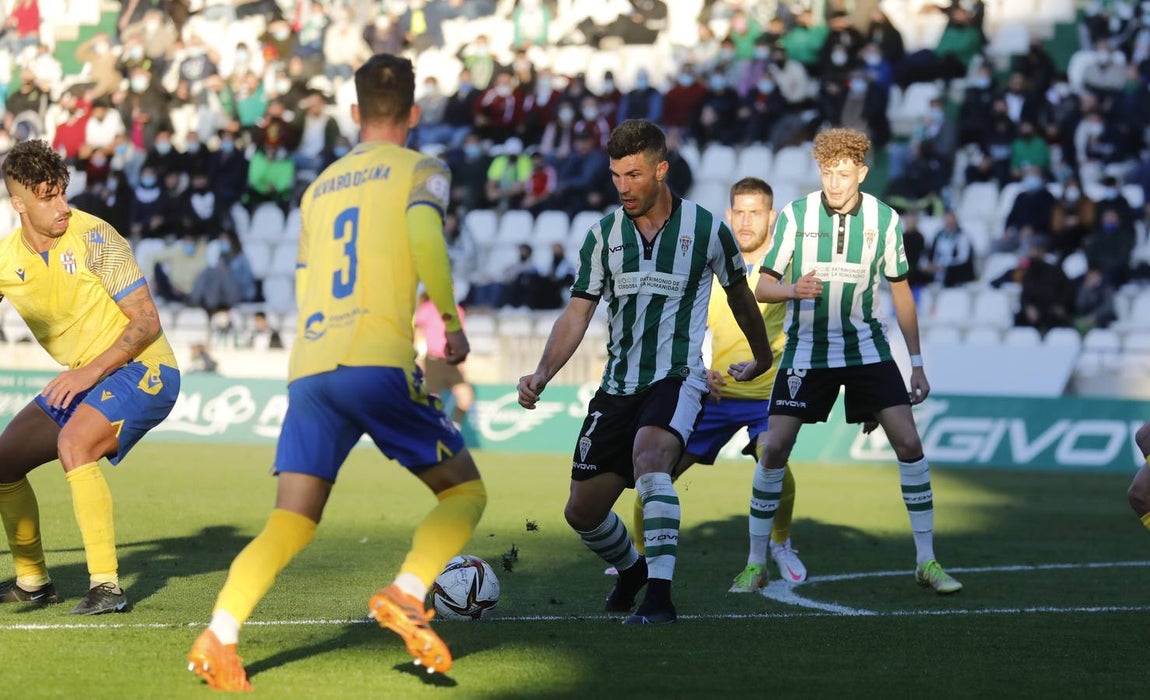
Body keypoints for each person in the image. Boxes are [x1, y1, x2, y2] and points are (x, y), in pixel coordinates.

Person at [188, 54, 487, 690]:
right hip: (376, 359)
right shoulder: (422, 169)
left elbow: (302, 282)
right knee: (464, 493)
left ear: (354, 112)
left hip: (311, 366)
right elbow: (426, 240)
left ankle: (221, 634)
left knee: (291, 520)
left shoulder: (318, 188)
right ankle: (408, 591)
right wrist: (450, 325)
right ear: (413, 112)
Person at [517, 119, 774, 625]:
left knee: (651, 459)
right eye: (616, 176)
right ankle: (633, 571)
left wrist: (762, 359)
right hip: (617, 387)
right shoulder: (602, 236)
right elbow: (577, 313)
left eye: (633, 175)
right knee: (581, 512)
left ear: (661, 170)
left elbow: (742, 300)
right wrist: (542, 372)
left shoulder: (707, 229)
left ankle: (659, 597)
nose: (623, 187)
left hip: (677, 377)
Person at [745, 128, 962, 595]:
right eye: (827, 173)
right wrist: (792, 289)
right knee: (775, 447)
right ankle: (755, 563)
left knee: (909, 442)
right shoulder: (796, 215)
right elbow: (762, 286)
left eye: (843, 174)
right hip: (807, 350)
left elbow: (901, 291)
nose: (834, 183)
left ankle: (926, 560)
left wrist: (917, 363)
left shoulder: (884, 220)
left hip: (866, 350)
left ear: (861, 173)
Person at [0, 139, 181, 615]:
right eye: (48, 197)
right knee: (4, 461)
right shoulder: (5, 259)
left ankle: (107, 586)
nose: (62, 205)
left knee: (74, 444)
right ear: (18, 204)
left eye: (63, 192)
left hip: (145, 368)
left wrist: (87, 374)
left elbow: (147, 321)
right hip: (86, 379)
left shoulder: (96, 236)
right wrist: (83, 377)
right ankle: (33, 582)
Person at [620, 177, 807, 588]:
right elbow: (679, 330)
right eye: (739, 212)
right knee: (656, 473)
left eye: (755, 212)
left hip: (767, 397)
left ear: (771, 217)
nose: (746, 221)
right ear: (728, 215)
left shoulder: (785, 271)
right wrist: (703, 373)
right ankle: (637, 556)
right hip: (716, 396)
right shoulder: (712, 266)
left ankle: (781, 545)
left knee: (774, 460)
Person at [414, 292, 474, 428]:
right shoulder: (428, 308)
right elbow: (419, 333)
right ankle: (430, 432)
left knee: (466, 398)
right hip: (432, 359)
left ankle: (453, 428)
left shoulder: (458, 311)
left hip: (451, 360)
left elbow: (460, 337)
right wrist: (420, 358)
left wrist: (462, 362)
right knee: (433, 401)